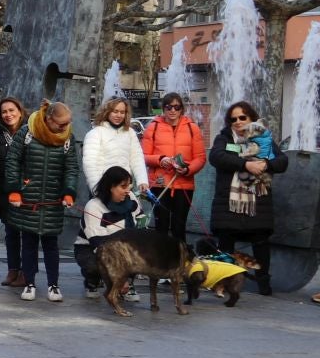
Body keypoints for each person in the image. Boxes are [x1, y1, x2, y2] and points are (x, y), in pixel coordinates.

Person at [208, 99, 289, 296]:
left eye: (242, 117)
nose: (238, 121)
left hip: (257, 203)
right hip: (229, 203)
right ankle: (224, 282)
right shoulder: (224, 138)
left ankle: (263, 283)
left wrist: (266, 165)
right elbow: (216, 157)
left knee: (260, 243)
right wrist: (245, 165)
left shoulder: (263, 139)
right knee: (226, 243)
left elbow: (282, 161)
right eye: (233, 119)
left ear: (251, 117)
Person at [4, 101, 81, 302]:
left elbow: (71, 168)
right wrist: (14, 189)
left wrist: (69, 191)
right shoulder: (26, 133)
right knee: (28, 241)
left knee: (51, 243)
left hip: (53, 199)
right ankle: (29, 282)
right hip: (28, 198)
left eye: (67, 124)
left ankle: (53, 285)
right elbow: (12, 161)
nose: (65, 128)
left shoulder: (67, 139)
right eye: (61, 124)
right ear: (48, 120)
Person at [141, 91, 205, 246]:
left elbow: (201, 158)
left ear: (182, 109)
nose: (172, 111)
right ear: (163, 108)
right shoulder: (153, 127)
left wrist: (187, 169)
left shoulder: (192, 128)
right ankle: (159, 264)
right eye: (169, 107)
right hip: (160, 184)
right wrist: (160, 160)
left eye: (177, 107)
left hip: (184, 184)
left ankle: (180, 263)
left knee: (179, 226)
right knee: (161, 225)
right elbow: (142, 156)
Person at [77, 165, 141, 298]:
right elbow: (99, 245)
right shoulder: (94, 206)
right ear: (111, 187)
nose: (128, 190)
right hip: (92, 248)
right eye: (123, 186)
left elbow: (141, 224)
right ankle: (92, 280)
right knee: (94, 266)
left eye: (129, 186)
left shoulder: (132, 200)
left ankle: (128, 283)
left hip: (124, 246)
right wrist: (117, 277)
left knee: (139, 253)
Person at [0, 96, 30, 289]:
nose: (8, 115)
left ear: (20, 111)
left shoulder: (31, 132)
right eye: (4, 112)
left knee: (26, 233)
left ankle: (26, 271)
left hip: (26, 189)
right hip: (6, 191)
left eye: (12, 110)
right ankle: (13, 269)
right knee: (11, 232)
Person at [81, 97, 149, 200]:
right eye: (115, 111)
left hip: (124, 188)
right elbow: (90, 164)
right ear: (107, 111)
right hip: (103, 189)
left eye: (122, 112)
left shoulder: (130, 133)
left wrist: (142, 180)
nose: (119, 115)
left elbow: (136, 158)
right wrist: (97, 190)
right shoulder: (95, 133)